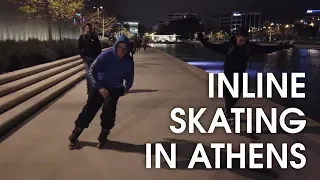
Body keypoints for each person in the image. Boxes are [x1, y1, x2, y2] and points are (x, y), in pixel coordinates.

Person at [196, 28, 294, 124]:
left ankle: (227, 110)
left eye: (245, 40)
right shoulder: (228, 46)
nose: (243, 42)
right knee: (229, 95)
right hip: (228, 75)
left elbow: (266, 49)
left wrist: (283, 46)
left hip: (240, 74)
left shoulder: (249, 48)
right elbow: (212, 46)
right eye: (241, 40)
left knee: (237, 95)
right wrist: (201, 39)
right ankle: (229, 114)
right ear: (236, 37)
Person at [69, 34, 134, 150]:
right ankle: (75, 134)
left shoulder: (128, 61)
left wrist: (126, 87)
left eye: (125, 49)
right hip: (100, 86)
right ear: (116, 46)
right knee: (89, 110)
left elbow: (130, 76)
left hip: (115, 89)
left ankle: (103, 136)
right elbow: (91, 71)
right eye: (119, 47)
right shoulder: (106, 55)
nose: (122, 51)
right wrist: (99, 87)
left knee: (109, 112)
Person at [78, 23, 102, 94]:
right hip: (87, 58)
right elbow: (79, 48)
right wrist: (83, 56)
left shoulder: (94, 36)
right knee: (88, 74)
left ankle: (95, 87)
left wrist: (99, 56)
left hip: (95, 58)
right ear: (85, 29)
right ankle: (89, 88)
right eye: (88, 28)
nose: (89, 29)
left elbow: (99, 46)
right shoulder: (82, 37)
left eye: (90, 28)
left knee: (95, 73)